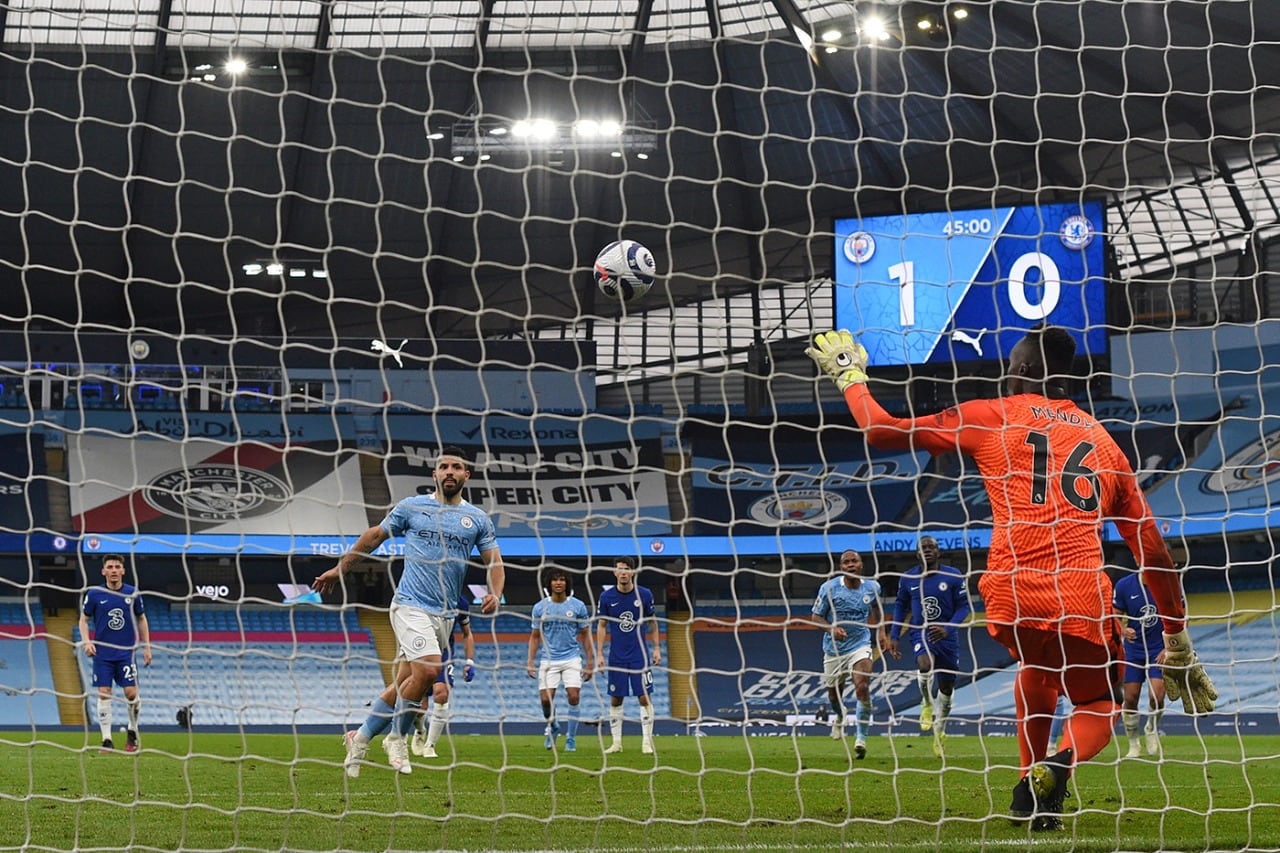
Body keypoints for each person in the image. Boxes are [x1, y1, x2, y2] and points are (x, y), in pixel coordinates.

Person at [808, 325, 1216, 830]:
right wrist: (1176, 633)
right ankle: (1057, 766)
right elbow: (1152, 550)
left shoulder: (991, 415)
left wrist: (851, 374)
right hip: (1081, 596)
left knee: (1037, 670)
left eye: (1009, 368)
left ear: (1022, 371)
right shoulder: (1105, 445)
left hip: (1011, 594)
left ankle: (1030, 792)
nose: (1004, 375)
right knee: (1096, 702)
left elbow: (881, 428)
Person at [313, 445, 503, 778]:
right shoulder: (411, 508)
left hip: (444, 615)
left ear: (466, 475)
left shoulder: (477, 519)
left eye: (456, 467)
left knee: (403, 683)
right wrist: (340, 569)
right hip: (410, 604)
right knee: (429, 673)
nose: (449, 472)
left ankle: (360, 736)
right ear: (435, 474)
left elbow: (495, 562)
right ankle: (396, 739)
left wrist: (496, 593)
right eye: (443, 466)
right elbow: (374, 536)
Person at [887, 535, 971, 757]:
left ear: (938, 552)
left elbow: (964, 607)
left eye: (931, 547)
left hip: (947, 638)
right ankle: (926, 703)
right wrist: (894, 635)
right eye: (923, 547)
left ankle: (940, 730)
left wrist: (948, 629)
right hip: (920, 632)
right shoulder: (908, 578)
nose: (927, 550)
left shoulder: (953, 576)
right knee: (924, 664)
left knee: (946, 688)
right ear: (917, 554)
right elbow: (900, 606)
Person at [810, 549, 887, 759]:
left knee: (862, 685)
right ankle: (840, 714)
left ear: (861, 565)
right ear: (841, 567)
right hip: (834, 649)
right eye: (846, 562)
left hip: (860, 644)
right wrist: (831, 629)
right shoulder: (829, 588)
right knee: (834, 696)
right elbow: (816, 617)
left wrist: (880, 631)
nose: (851, 565)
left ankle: (861, 738)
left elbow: (877, 609)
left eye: (854, 561)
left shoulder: (873, 587)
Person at [78, 554, 152, 753]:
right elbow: (83, 620)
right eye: (109, 567)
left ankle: (132, 730)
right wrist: (86, 642)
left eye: (117, 566)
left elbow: (142, 618)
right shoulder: (94, 594)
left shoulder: (132, 593)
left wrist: (147, 646)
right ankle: (107, 740)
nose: (113, 570)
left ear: (123, 571)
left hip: (126, 653)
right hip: (102, 653)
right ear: (103, 571)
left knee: (131, 693)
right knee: (104, 693)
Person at [596, 556, 661, 755]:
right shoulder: (606, 598)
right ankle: (616, 743)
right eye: (619, 569)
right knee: (616, 699)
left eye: (626, 569)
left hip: (639, 656)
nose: (623, 572)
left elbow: (653, 622)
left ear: (633, 572)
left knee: (644, 697)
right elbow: (602, 625)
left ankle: (647, 743)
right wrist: (599, 653)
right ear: (614, 573)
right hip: (617, 656)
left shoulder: (645, 594)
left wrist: (657, 648)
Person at [527, 568, 594, 753]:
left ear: (567, 583)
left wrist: (590, 662)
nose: (558, 583)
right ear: (549, 584)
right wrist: (530, 661)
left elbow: (586, 635)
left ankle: (571, 739)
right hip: (548, 660)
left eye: (562, 579)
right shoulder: (540, 607)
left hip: (572, 658)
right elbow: (534, 636)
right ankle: (554, 726)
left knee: (573, 696)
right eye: (555, 580)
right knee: (546, 700)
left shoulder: (578, 606)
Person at [1112, 568, 1168, 758]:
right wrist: (1123, 629)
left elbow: (1181, 617)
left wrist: (1169, 647)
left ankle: (1151, 728)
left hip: (1159, 649)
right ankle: (1134, 744)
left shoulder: (1168, 582)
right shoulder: (1124, 585)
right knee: (1131, 697)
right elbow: (1114, 614)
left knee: (1157, 696)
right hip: (1133, 650)